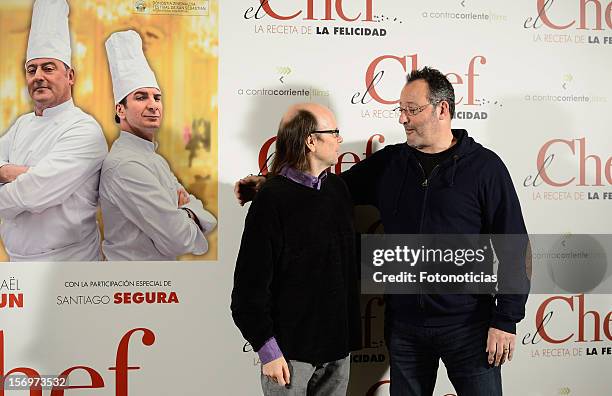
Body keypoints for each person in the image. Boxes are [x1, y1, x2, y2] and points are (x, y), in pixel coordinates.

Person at [235, 67, 529, 395]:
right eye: (400, 110)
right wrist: (269, 185)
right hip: (405, 331)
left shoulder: (486, 168)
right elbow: (323, 190)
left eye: (412, 110)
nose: (403, 119)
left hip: (469, 327)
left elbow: (514, 246)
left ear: (442, 109)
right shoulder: (390, 163)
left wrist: (506, 318)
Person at [231, 103, 361, 395]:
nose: (340, 139)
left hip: (337, 353)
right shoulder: (271, 200)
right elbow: (248, 289)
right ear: (311, 141)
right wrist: (268, 351)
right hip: (289, 357)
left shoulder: (338, 190)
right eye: (334, 132)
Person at [0, 0, 107, 261]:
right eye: (31, 69)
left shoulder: (85, 130)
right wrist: (23, 174)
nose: (38, 76)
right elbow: (35, 187)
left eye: (49, 68)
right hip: (16, 263)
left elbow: (34, 194)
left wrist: (9, 173)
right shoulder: (21, 125)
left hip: (70, 263)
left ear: (70, 76)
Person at [100, 30, 216, 261]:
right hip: (132, 284)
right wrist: (188, 211)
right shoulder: (125, 165)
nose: (153, 105)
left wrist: (182, 212)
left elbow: (208, 219)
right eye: (141, 97)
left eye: (157, 97)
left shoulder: (154, 158)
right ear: (120, 110)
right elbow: (178, 240)